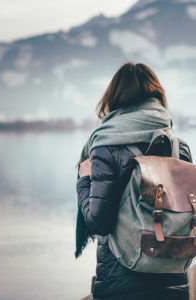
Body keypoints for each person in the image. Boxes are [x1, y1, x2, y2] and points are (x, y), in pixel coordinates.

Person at [76, 62, 192, 300]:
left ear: (114, 99)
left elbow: (99, 222)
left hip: (122, 284)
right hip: (174, 280)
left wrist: (84, 179)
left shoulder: (106, 148)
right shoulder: (179, 148)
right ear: (157, 98)